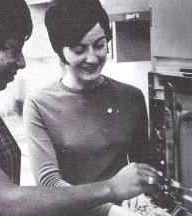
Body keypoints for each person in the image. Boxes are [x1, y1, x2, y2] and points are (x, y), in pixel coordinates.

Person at [0, 0, 161, 215]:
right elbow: (10, 200)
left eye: (99, 45)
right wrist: (112, 188)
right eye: (14, 49)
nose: (22, 62)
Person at [23, 0, 159, 215]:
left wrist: (143, 190)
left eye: (99, 45)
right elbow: (49, 184)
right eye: (79, 49)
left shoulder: (131, 96)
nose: (92, 58)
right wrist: (111, 210)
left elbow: (144, 164)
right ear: (60, 51)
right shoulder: (39, 104)